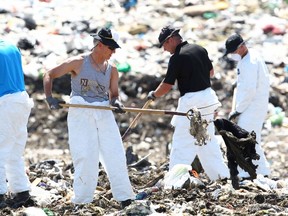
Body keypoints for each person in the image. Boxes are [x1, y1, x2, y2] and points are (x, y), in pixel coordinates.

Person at [43, 27, 135, 208]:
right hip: (81, 112)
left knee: (115, 153)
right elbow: (49, 74)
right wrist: (49, 98)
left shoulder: (112, 69)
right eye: (111, 48)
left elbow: (114, 94)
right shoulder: (78, 62)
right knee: (85, 155)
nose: (113, 52)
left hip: (102, 112)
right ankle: (83, 199)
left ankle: (125, 197)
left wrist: (116, 103)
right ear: (100, 45)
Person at [147, 25, 229, 181]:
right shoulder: (200, 49)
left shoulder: (177, 57)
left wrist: (153, 95)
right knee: (206, 141)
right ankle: (221, 177)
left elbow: (167, 85)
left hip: (192, 103)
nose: (164, 49)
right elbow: (211, 72)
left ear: (170, 40)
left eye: (164, 45)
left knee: (181, 142)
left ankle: (175, 179)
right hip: (208, 99)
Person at [224, 33, 271, 177]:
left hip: (252, 105)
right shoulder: (251, 56)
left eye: (233, 52)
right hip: (256, 103)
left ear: (241, 47)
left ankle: (251, 172)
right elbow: (247, 82)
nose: (232, 55)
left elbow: (250, 90)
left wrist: (238, 110)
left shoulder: (249, 63)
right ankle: (261, 170)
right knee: (251, 138)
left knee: (246, 138)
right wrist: (237, 82)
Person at [0, 39, 34, 208]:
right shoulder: (11, 47)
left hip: (5, 103)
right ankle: (22, 192)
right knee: (14, 151)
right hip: (21, 101)